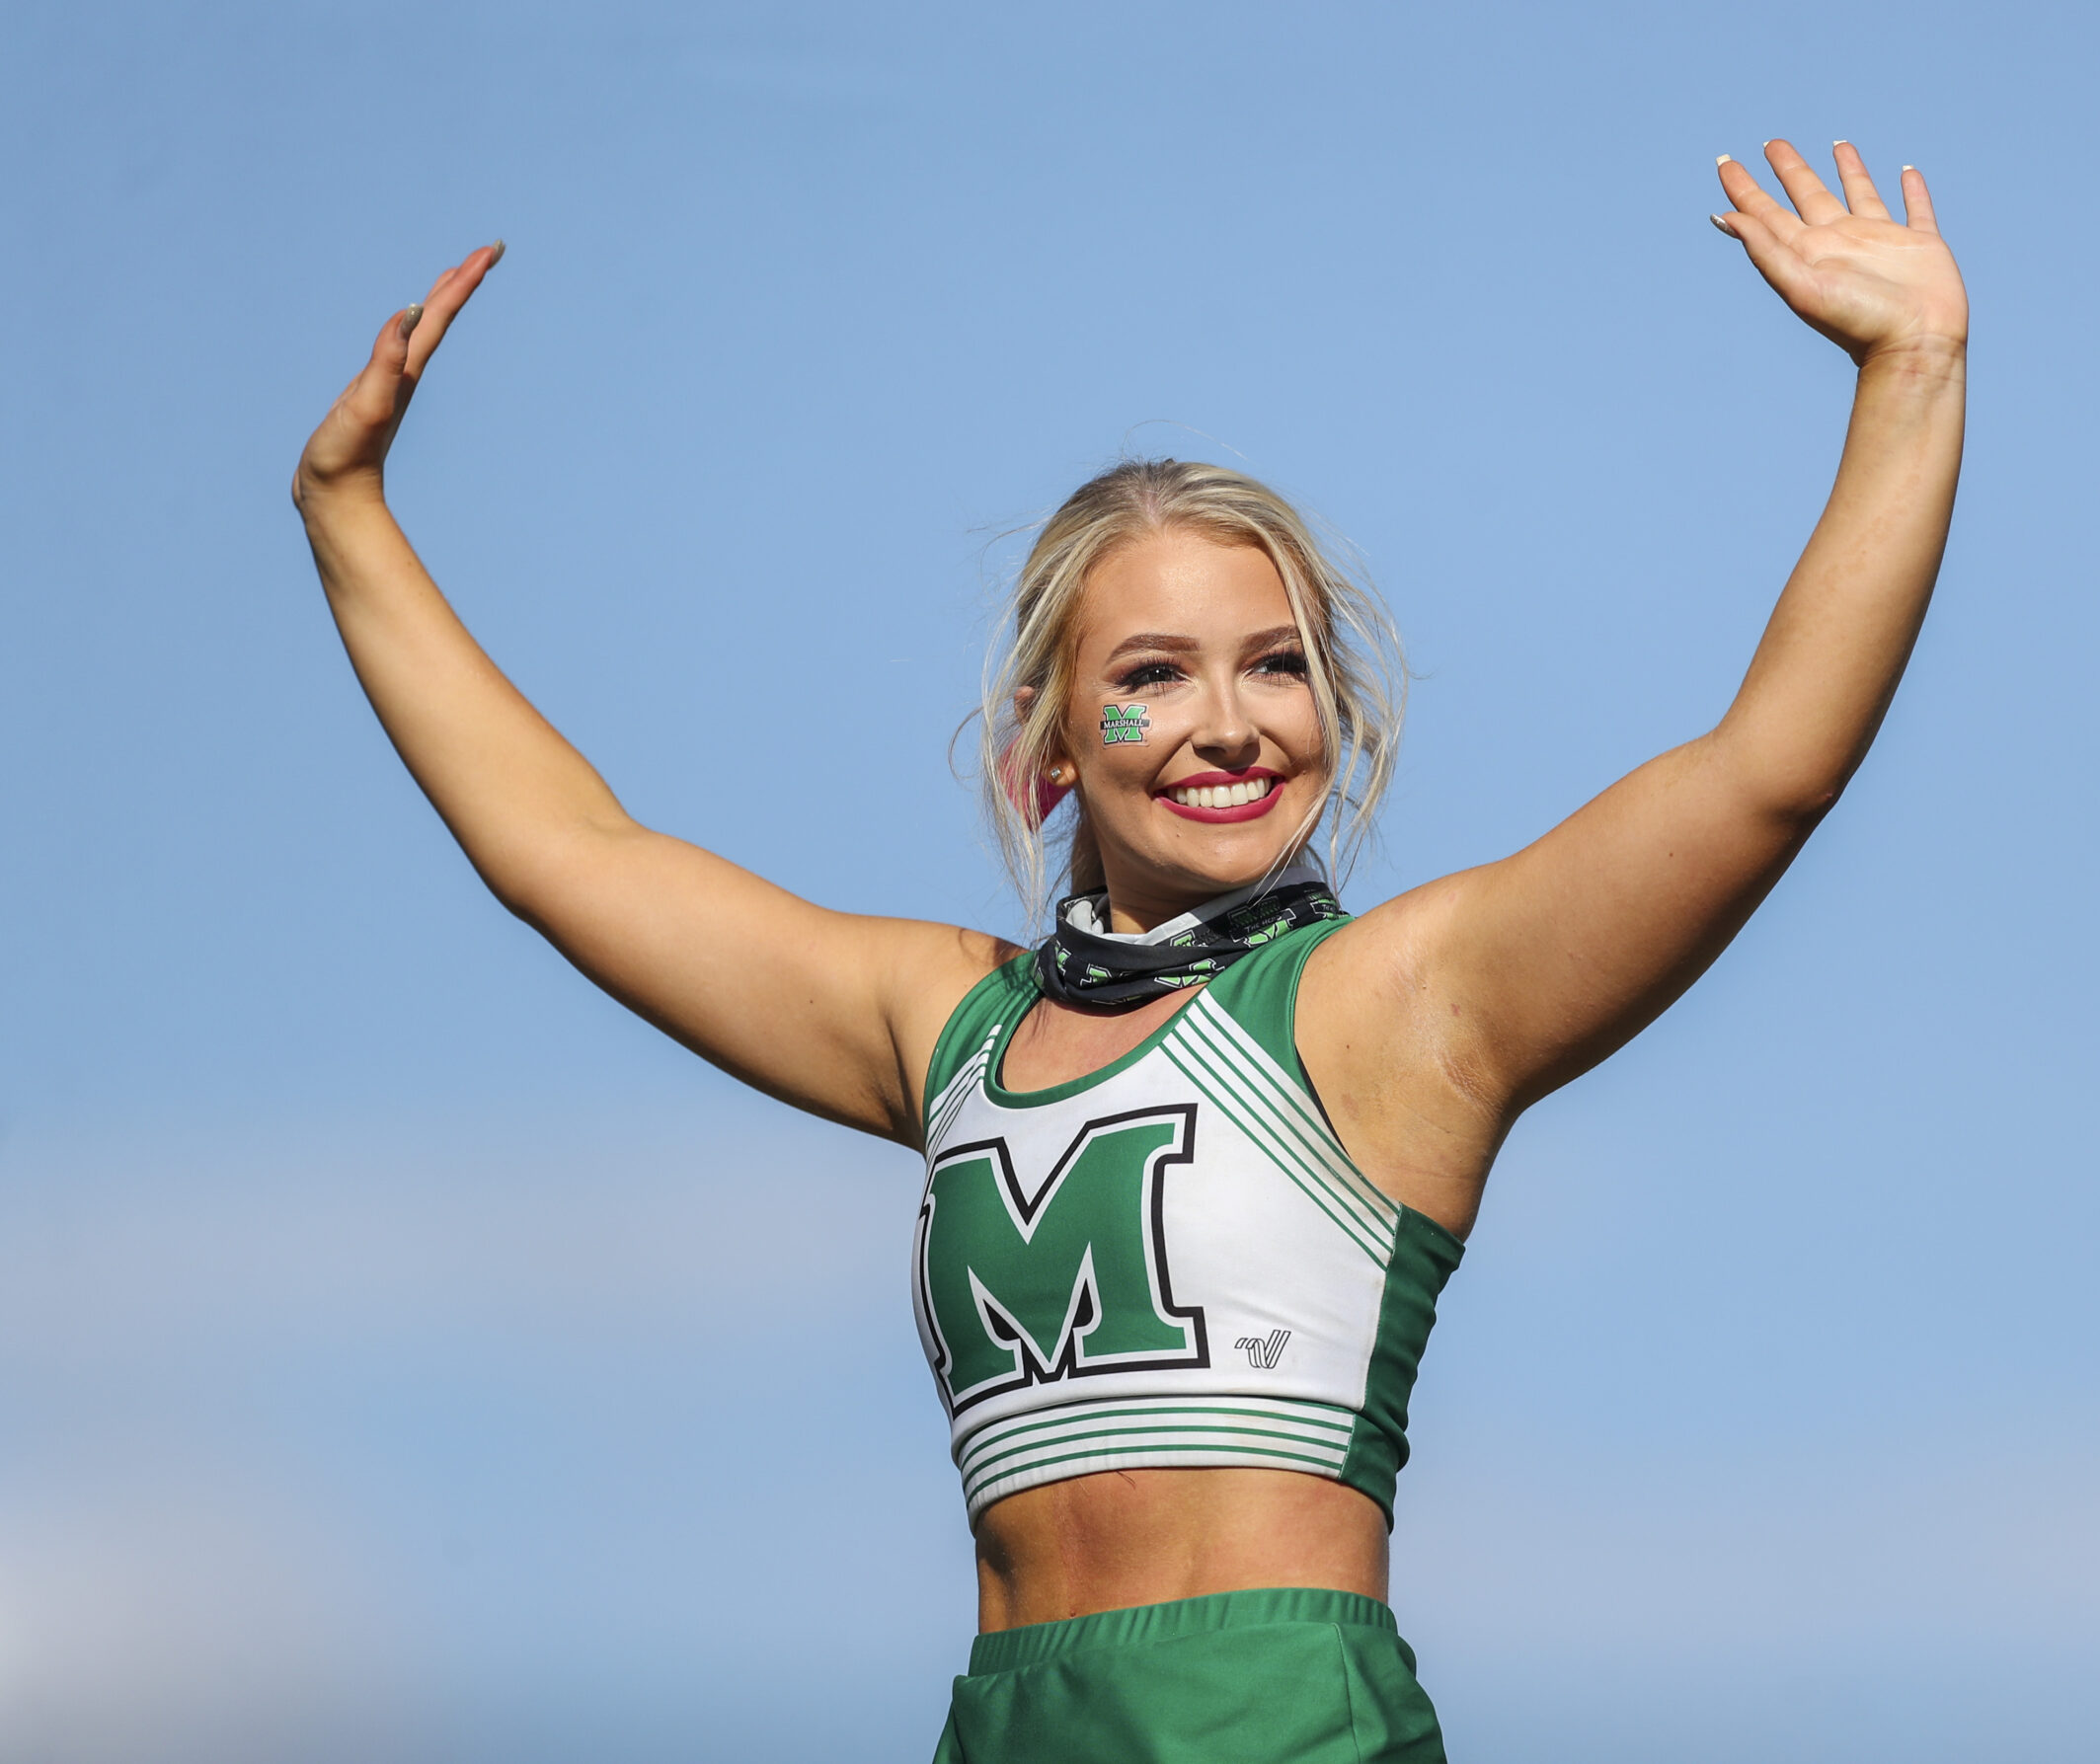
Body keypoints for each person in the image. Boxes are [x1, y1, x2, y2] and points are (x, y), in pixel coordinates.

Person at [293, 138, 1968, 1763]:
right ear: (1047, 744)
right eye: (1154, 673)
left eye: (1279, 667)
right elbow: (571, 857)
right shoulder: (943, 1024)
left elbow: (1766, 774)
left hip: (1278, 1725)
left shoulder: (1400, 1006)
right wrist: (346, 511)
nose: (1226, 725)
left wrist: (1911, 370)